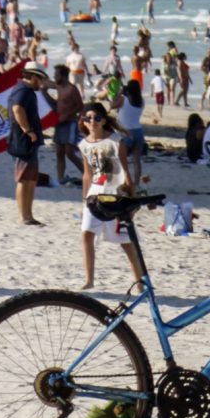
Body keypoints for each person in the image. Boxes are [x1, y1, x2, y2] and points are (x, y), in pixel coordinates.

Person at [76, 103, 146, 294]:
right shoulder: (83, 145)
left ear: (104, 120)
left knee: (125, 241)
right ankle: (89, 280)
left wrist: (132, 198)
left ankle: (140, 282)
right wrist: (84, 200)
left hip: (115, 192)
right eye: (88, 118)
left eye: (97, 118)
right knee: (86, 234)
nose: (92, 122)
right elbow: (87, 174)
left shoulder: (116, 141)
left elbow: (125, 170)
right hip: (94, 194)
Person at [6, 63, 49, 226]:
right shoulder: (23, 90)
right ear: (33, 76)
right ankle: (23, 216)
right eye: (41, 78)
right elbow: (17, 109)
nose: (42, 82)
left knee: (31, 179)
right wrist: (28, 130)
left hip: (29, 142)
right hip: (23, 141)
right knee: (24, 179)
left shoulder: (27, 91)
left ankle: (28, 215)